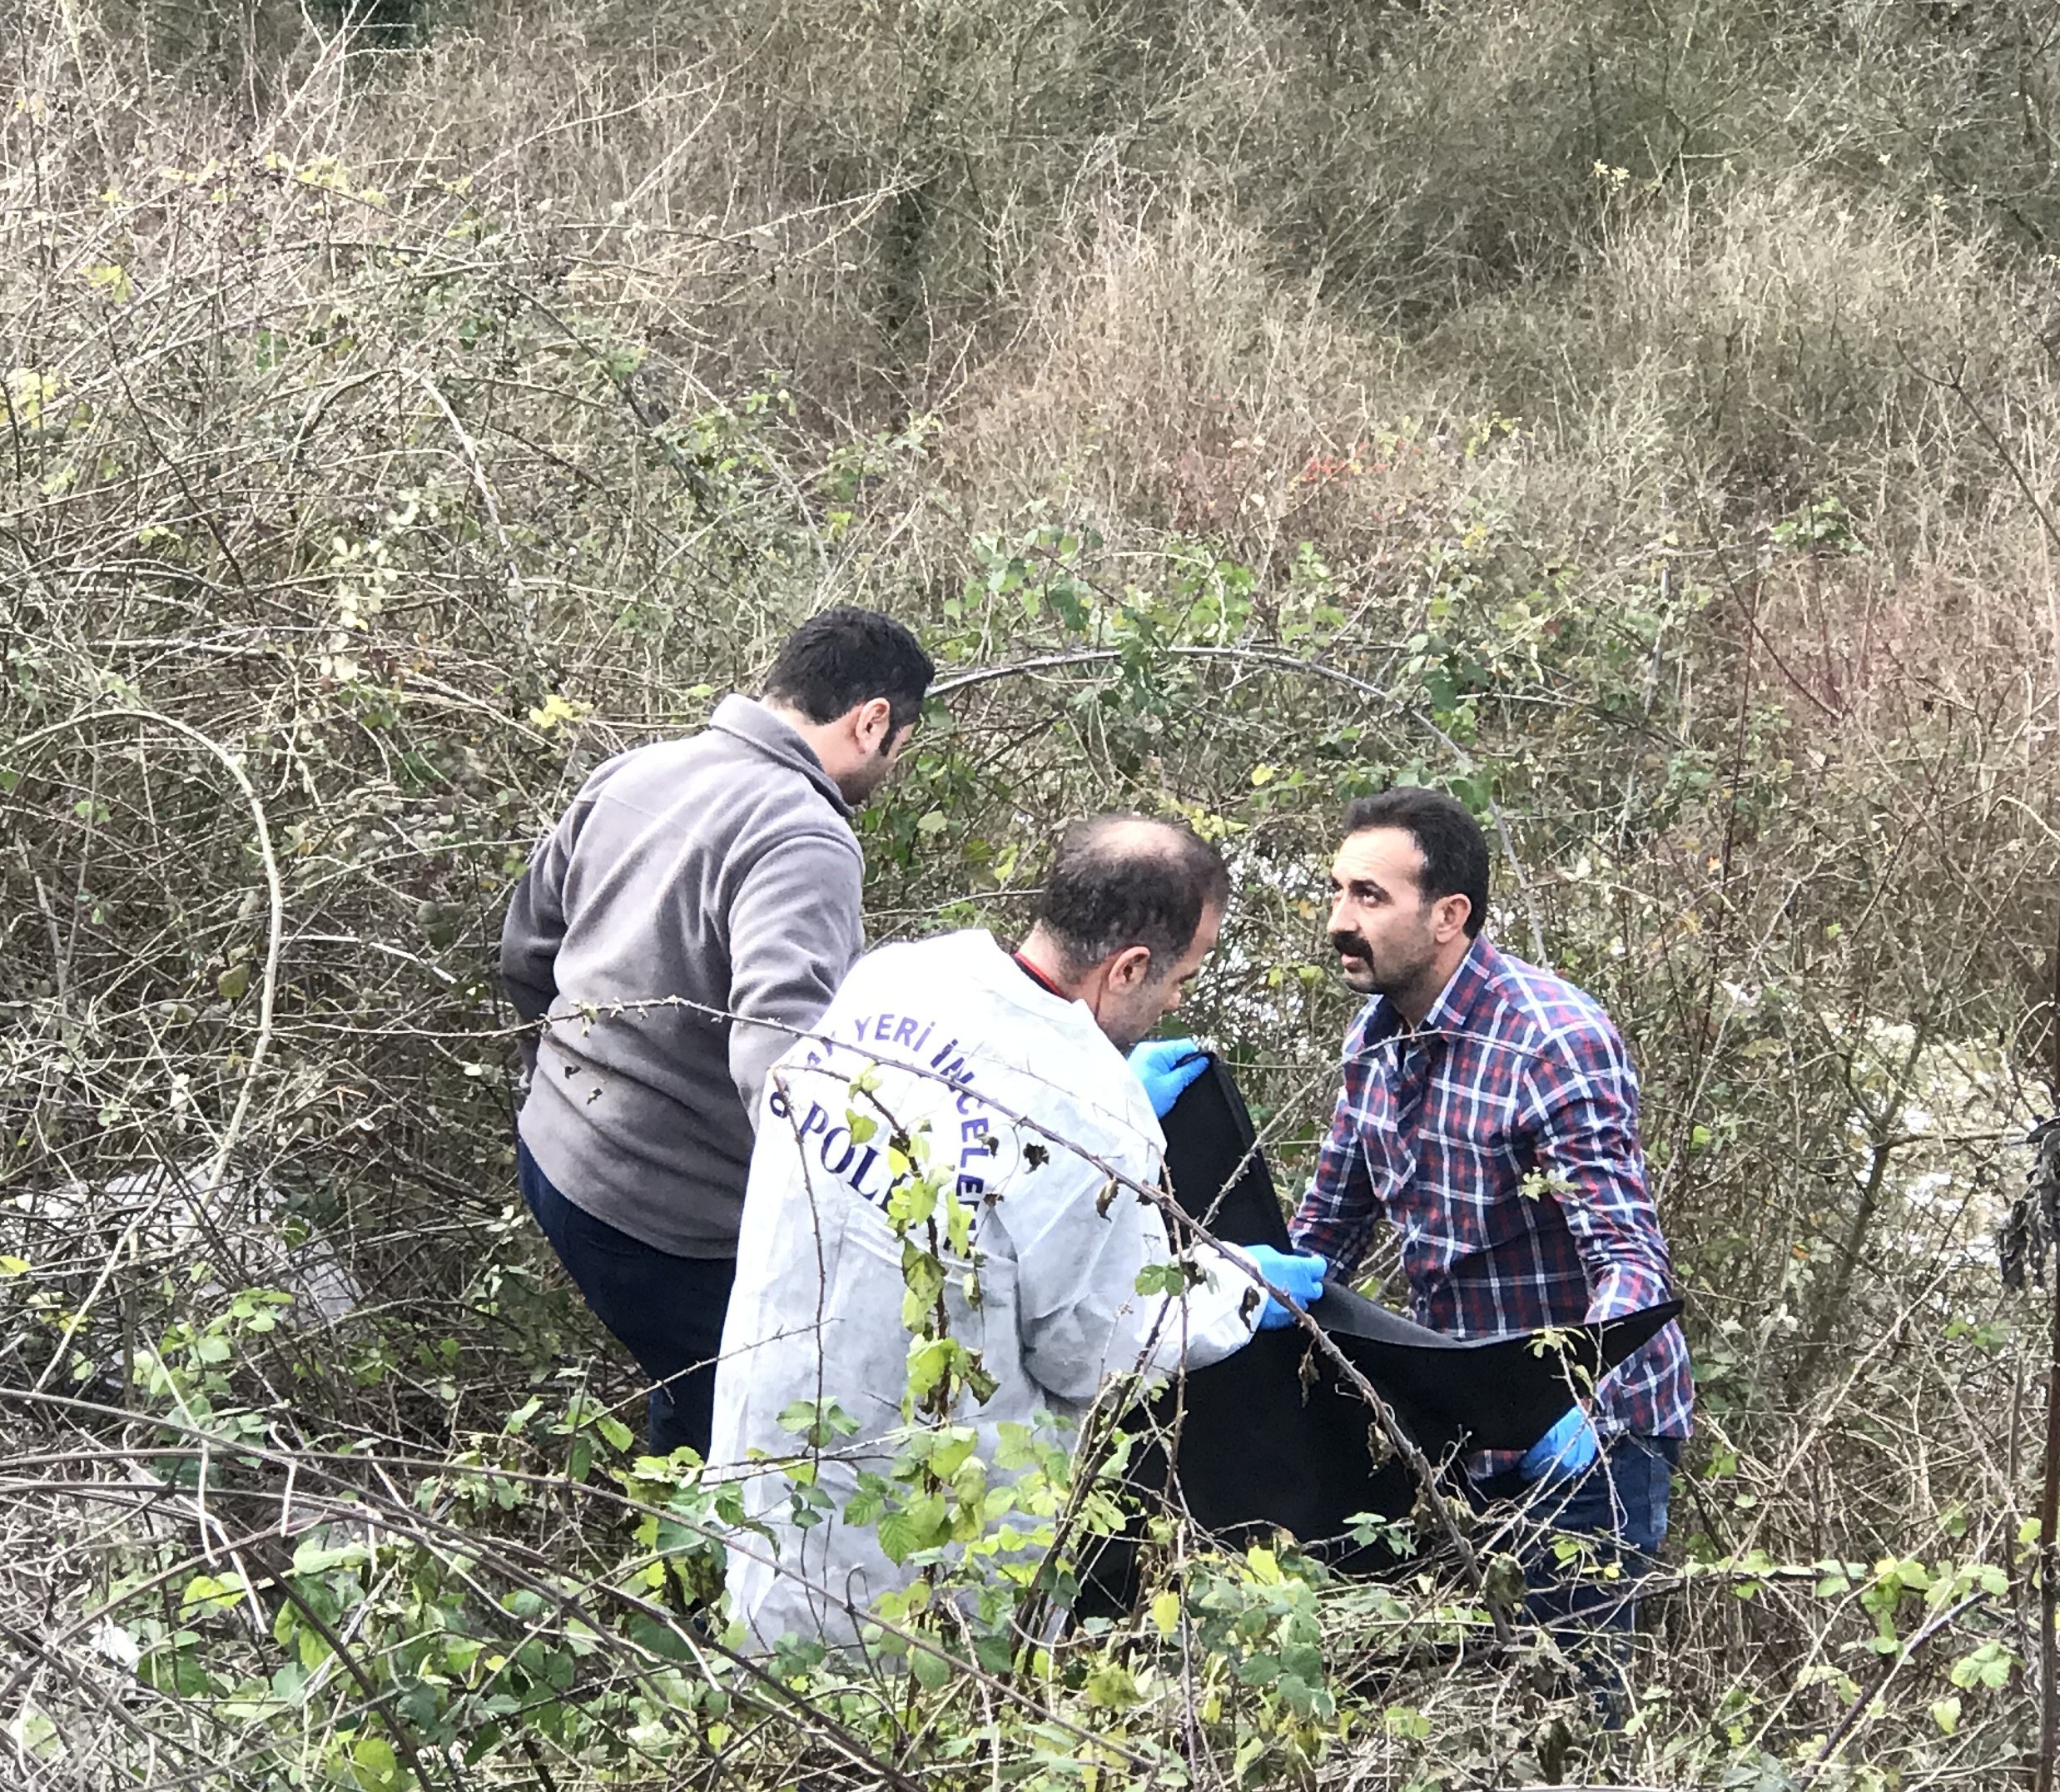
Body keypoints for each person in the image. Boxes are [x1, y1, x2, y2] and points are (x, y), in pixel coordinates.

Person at [707, 816, 1327, 1653]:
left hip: (778, 1432)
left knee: (767, 1670)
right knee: (902, 1712)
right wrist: (1237, 1289)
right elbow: (1091, 1348)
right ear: (1130, 966)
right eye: (1184, 973)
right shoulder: (1098, 1118)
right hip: (931, 1525)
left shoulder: (898, 978)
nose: (1179, 999)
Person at [495, 608, 935, 1457]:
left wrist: (561, 1086)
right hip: (665, 1223)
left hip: (553, 1157)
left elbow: (526, 951)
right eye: (901, 743)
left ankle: (671, 1491)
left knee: (685, 1385)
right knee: (752, 1434)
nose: (893, 766)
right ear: (872, 720)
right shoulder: (805, 836)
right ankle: (686, 1576)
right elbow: (779, 1060)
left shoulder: (637, 769)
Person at [1286, 786, 1693, 1667]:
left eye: (1369, 897)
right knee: (1459, 1700)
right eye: (1336, 890)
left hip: (1592, 1436)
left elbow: (1628, 1260)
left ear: (1449, 916)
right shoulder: (1375, 1041)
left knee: (1568, 1700)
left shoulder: (1551, 1043)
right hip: (1467, 1425)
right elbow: (1327, 1230)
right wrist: (1257, 1282)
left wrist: (1575, 1398)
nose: (1338, 921)